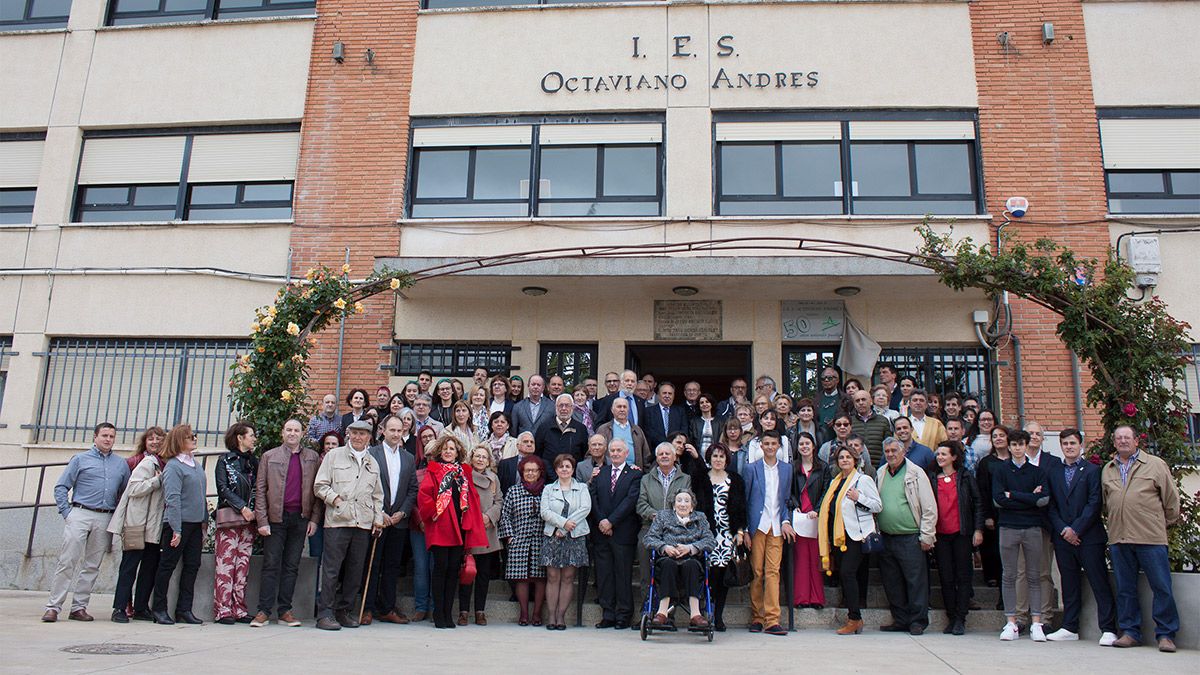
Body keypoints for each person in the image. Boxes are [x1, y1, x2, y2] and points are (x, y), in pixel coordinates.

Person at [1103, 425, 1181, 652]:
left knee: (1161, 586)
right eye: (1119, 438)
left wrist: (1155, 523)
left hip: (1151, 538)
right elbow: (1107, 504)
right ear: (1114, 442)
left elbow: (1171, 502)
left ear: (1137, 441)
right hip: (1120, 538)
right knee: (1125, 588)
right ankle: (1129, 632)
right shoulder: (1108, 469)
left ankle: (1166, 634)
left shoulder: (1155, 465)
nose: (1123, 441)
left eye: (1127, 437)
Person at [43, 422, 130, 623]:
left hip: (104, 516)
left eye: (111, 436)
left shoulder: (120, 464)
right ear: (95, 437)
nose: (108, 439)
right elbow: (61, 487)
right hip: (80, 513)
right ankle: (53, 607)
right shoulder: (80, 459)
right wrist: (67, 513)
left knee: (92, 565)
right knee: (67, 561)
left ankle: (79, 607)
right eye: (104, 435)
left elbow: (125, 493)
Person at [1045, 428, 1117, 646]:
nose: (1069, 447)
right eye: (1065, 444)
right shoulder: (1054, 471)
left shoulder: (1093, 470)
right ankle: (1069, 626)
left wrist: (1076, 529)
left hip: (1089, 537)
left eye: (1073, 443)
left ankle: (1108, 628)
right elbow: (1051, 506)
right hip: (1063, 538)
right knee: (1069, 583)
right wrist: (1064, 530)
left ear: (1081, 445)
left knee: (1099, 581)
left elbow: (1095, 503)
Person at [313, 420, 385, 631]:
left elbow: (377, 496)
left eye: (363, 434)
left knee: (355, 570)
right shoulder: (334, 456)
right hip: (337, 521)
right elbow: (320, 485)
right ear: (348, 434)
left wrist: (377, 519)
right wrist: (335, 500)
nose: (358, 437)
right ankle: (325, 613)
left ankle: (344, 610)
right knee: (331, 570)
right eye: (355, 433)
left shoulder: (373, 462)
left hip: (362, 523)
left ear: (369, 437)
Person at [251, 419, 321, 628]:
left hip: (300, 518)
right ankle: (263, 611)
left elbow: (317, 491)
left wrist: (314, 519)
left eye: (296, 430)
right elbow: (261, 490)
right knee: (271, 565)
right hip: (275, 519)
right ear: (283, 433)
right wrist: (262, 520)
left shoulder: (312, 457)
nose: (292, 433)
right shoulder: (269, 456)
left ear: (302, 434)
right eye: (289, 430)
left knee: (292, 566)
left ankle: (285, 611)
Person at [417, 434, 488, 629]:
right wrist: (435, 512)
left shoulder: (463, 473)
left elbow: (472, 497)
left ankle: (448, 613)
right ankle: (438, 613)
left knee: (452, 572)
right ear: (440, 451)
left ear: (458, 453)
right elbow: (424, 495)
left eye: (452, 449)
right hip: (441, 526)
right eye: (445, 448)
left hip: (459, 527)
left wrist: (471, 522)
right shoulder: (434, 470)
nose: (448, 452)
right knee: (440, 569)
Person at [992, 428, 1050, 641]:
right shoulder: (1001, 470)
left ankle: (1036, 622)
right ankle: (1011, 622)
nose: (1017, 448)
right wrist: (1028, 498)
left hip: (1032, 527)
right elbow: (998, 500)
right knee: (1009, 575)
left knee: (1034, 575)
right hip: (1008, 526)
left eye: (1021, 444)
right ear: (1009, 446)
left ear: (1027, 446)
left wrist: (1013, 495)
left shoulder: (1037, 472)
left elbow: (1043, 500)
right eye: (1014, 445)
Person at [361, 414, 419, 626]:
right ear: (382, 431)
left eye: (399, 430)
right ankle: (366, 608)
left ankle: (387, 608)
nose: (396, 434)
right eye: (392, 430)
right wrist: (380, 513)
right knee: (372, 564)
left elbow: (413, 489)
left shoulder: (408, 458)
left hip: (398, 521)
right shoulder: (371, 454)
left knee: (392, 566)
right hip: (377, 520)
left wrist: (402, 513)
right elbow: (365, 486)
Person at [874, 436, 936, 635]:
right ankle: (900, 619)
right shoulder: (881, 472)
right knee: (892, 582)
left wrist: (927, 535)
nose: (891, 454)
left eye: (894, 451)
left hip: (910, 536)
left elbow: (929, 507)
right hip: (887, 536)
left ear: (903, 452)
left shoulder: (916, 473)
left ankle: (918, 620)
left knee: (915, 581)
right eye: (888, 451)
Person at [818, 446, 882, 635]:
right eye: (841, 458)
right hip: (839, 536)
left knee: (847, 573)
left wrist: (858, 497)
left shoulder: (863, 480)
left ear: (855, 460)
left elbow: (877, 505)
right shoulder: (835, 482)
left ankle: (855, 618)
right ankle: (854, 617)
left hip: (856, 535)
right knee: (845, 575)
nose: (844, 460)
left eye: (848, 457)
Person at [742, 430, 796, 636]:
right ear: (761, 446)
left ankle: (772, 620)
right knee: (757, 572)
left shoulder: (787, 469)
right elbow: (746, 500)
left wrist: (785, 520)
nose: (770, 447)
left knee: (773, 572)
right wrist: (745, 529)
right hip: (757, 526)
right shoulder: (751, 469)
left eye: (774, 443)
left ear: (779, 446)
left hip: (776, 525)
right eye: (766, 443)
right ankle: (757, 617)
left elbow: (786, 499)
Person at [152, 424, 207, 625]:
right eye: (190, 437)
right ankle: (159, 608)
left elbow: (201, 495)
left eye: (194, 435)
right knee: (167, 566)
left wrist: (204, 522)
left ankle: (184, 609)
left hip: (195, 524)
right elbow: (172, 498)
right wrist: (176, 528)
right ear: (179, 441)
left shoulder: (196, 464)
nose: (194, 439)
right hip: (178, 524)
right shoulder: (174, 466)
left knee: (192, 566)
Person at [108, 427, 164, 623]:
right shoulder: (144, 462)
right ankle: (119, 608)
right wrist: (156, 481)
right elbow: (132, 489)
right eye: (151, 439)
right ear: (145, 441)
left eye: (159, 439)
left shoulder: (164, 463)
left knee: (149, 567)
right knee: (129, 566)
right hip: (136, 523)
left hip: (153, 525)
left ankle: (141, 607)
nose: (155, 442)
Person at [931, 440, 985, 635]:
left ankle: (961, 618)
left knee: (963, 576)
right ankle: (951, 616)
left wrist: (978, 530)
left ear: (954, 457)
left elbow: (978, 503)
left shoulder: (965, 476)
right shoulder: (932, 478)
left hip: (962, 534)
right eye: (938, 454)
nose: (940, 457)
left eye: (944, 454)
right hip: (941, 536)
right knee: (946, 577)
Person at [691, 443, 747, 631]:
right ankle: (706, 612)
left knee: (722, 577)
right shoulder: (699, 478)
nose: (718, 459)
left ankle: (718, 616)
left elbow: (741, 508)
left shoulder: (736, 480)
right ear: (709, 458)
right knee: (708, 575)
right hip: (705, 534)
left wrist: (740, 531)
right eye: (715, 456)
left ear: (727, 460)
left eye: (722, 457)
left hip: (727, 535)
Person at [643, 490, 717, 629]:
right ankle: (662, 612)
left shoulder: (700, 518)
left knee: (692, 566)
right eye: (679, 500)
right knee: (668, 565)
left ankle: (695, 614)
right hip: (667, 558)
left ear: (692, 505)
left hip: (691, 559)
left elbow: (710, 541)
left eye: (686, 501)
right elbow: (649, 538)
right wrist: (665, 547)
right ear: (674, 504)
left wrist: (691, 548)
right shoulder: (663, 516)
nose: (683, 504)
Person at [589, 438, 642, 629]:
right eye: (613, 450)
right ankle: (608, 614)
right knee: (604, 575)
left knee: (622, 575)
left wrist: (611, 521)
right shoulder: (600, 473)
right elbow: (593, 498)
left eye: (620, 450)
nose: (616, 453)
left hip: (623, 532)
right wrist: (602, 521)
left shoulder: (635, 474)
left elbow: (630, 501)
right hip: (601, 532)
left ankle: (623, 615)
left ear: (626, 453)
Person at [1015, 421, 1061, 629]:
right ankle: (1021, 617)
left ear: (1043, 438)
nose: (1033, 436)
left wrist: (1025, 495)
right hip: (1019, 524)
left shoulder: (1053, 462)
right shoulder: (1015, 462)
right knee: (1022, 572)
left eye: (1037, 434)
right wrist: (1028, 496)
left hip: (1043, 524)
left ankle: (1045, 618)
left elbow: (1052, 494)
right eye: (1029, 433)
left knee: (1043, 572)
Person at [213, 422, 259, 624]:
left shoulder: (253, 462)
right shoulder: (224, 461)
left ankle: (239, 608)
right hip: (231, 518)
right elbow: (223, 488)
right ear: (240, 438)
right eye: (251, 435)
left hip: (249, 521)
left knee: (242, 564)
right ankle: (222, 610)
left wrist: (255, 509)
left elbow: (259, 486)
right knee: (226, 563)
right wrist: (243, 507)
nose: (254, 438)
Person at [637, 443, 693, 609]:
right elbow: (641, 504)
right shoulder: (646, 479)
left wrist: (668, 519)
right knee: (645, 562)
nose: (664, 456)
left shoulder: (685, 479)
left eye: (667, 453)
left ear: (675, 456)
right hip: (650, 527)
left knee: (670, 569)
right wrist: (655, 515)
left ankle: (669, 611)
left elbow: (686, 504)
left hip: (675, 530)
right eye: (660, 454)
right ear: (656, 457)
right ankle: (648, 608)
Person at [539, 453, 592, 630]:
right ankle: (551, 616)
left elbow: (585, 508)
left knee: (568, 578)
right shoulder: (548, 489)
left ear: (573, 469)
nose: (564, 469)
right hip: (552, 536)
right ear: (556, 470)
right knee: (553, 577)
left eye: (567, 466)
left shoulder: (582, 487)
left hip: (574, 536)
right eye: (561, 466)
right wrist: (561, 524)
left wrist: (565, 528)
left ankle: (561, 617)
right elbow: (545, 512)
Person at [499, 455, 548, 626]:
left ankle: (537, 614)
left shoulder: (547, 491)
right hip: (519, 540)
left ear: (540, 472)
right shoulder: (514, 490)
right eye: (527, 470)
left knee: (540, 577)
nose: (531, 473)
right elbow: (505, 515)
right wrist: (510, 536)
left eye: (534, 470)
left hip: (541, 540)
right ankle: (524, 613)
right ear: (522, 472)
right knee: (521, 578)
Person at [459, 445, 504, 626]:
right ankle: (463, 611)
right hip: (469, 530)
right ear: (471, 458)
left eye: (484, 457)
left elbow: (499, 501)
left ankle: (480, 611)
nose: (480, 460)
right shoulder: (464, 476)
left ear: (489, 461)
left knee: (484, 574)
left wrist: (489, 516)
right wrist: (473, 518)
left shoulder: (493, 479)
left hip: (487, 531)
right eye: (477, 456)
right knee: (467, 573)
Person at [790, 431, 826, 610]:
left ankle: (817, 598)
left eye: (807, 443)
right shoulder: (793, 468)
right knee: (801, 559)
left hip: (816, 519)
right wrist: (795, 505)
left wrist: (817, 509)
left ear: (813, 446)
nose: (804, 446)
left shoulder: (823, 468)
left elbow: (827, 491)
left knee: (815, 559)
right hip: (800, 519)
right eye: (801, 444)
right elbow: (788, 492)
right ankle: (801, 598)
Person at [975, 424, 1010, 591]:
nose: (998, 439)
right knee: (992, 547)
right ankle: (992, 577)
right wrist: (987, 515)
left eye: (1001, 435)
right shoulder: (986, 463)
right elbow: (982, 490)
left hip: (1012, 511)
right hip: (992, 513)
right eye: (995, 436)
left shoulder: (1015, 460)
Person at [595, 396, 650, 469]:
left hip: (634, 471)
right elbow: (594, 451)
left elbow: (646, 455)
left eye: (624, 407)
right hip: (610, 472)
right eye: (619, 407)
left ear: (628, 410)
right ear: (612, 410)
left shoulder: (637, 430)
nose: (622, 409)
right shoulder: (603, 429)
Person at [535, 393, 589, 463]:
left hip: (573, 472)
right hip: (548, 472)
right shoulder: (544, 427)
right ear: (556, 407)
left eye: (567, 405)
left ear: (572, 407)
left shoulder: (581, 429)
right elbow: (538, 453)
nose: (564, 408)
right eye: (561, 405)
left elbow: (583, 454)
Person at [850, 388, 892, 461]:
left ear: (871, 402)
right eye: (857, 401)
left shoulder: (883, 421)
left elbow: (889, 445)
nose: (860, 403)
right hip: (855, 466)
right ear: (854, 404)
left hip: (879, 465)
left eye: (863, 399)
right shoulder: (849, 422)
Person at [644, 382, 688, 451]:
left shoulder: (680, 412)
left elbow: (684, 430)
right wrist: (666, 444)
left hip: (676, 451)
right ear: (658, 395)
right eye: (664, 393)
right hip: (656, 450)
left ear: (673, 396)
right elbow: (649, 432)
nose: (667, 396)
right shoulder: (649, 412)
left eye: (670, 393)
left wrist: (674, 444)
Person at [498, 430, 537, 494]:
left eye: (532, 442)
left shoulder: (540, 464)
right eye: (525, 442)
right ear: (517, 446)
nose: (529, 444)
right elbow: (500, 488)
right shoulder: (505, 464)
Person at [965, 409, 997, 474]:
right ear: (977, 422)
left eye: (989, 419)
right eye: (983, 420)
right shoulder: (967, 441)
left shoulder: (1001, 439)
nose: (986, 422)